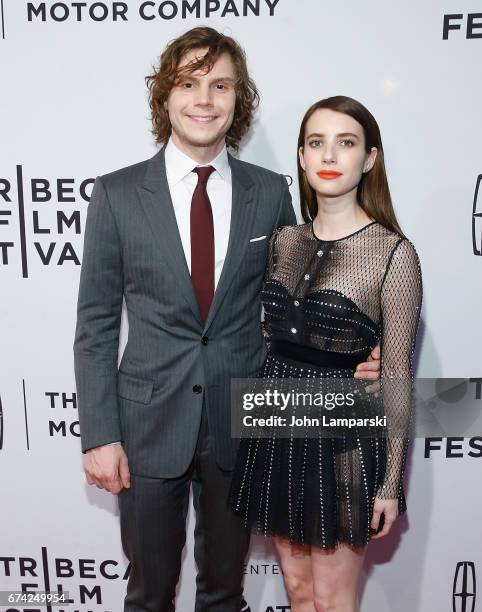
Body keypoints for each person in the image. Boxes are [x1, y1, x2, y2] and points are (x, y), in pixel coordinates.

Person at [73, 27, 381, 612]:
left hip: (243, 423)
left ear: (239, 101)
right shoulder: (115, 196)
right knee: (148, 596)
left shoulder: (270, 193)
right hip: (145, 426)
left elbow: (299, 304)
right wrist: (100, 434)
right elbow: (95, 326)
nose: (204, 100)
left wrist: (359, 353)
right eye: (188, 84)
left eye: (220, 85)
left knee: (224, 595)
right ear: (165, 96)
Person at [229, 95, 423, 612]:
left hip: (344, 441)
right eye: (317, 142)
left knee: (335, 602)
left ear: (370, 159)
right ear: (301, 157)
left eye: (346, 142)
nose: (330, 155)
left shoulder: (393, 254)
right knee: (298, 595)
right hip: (278, 430)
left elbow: (399, 377)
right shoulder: (284, 241)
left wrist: (389, 485)